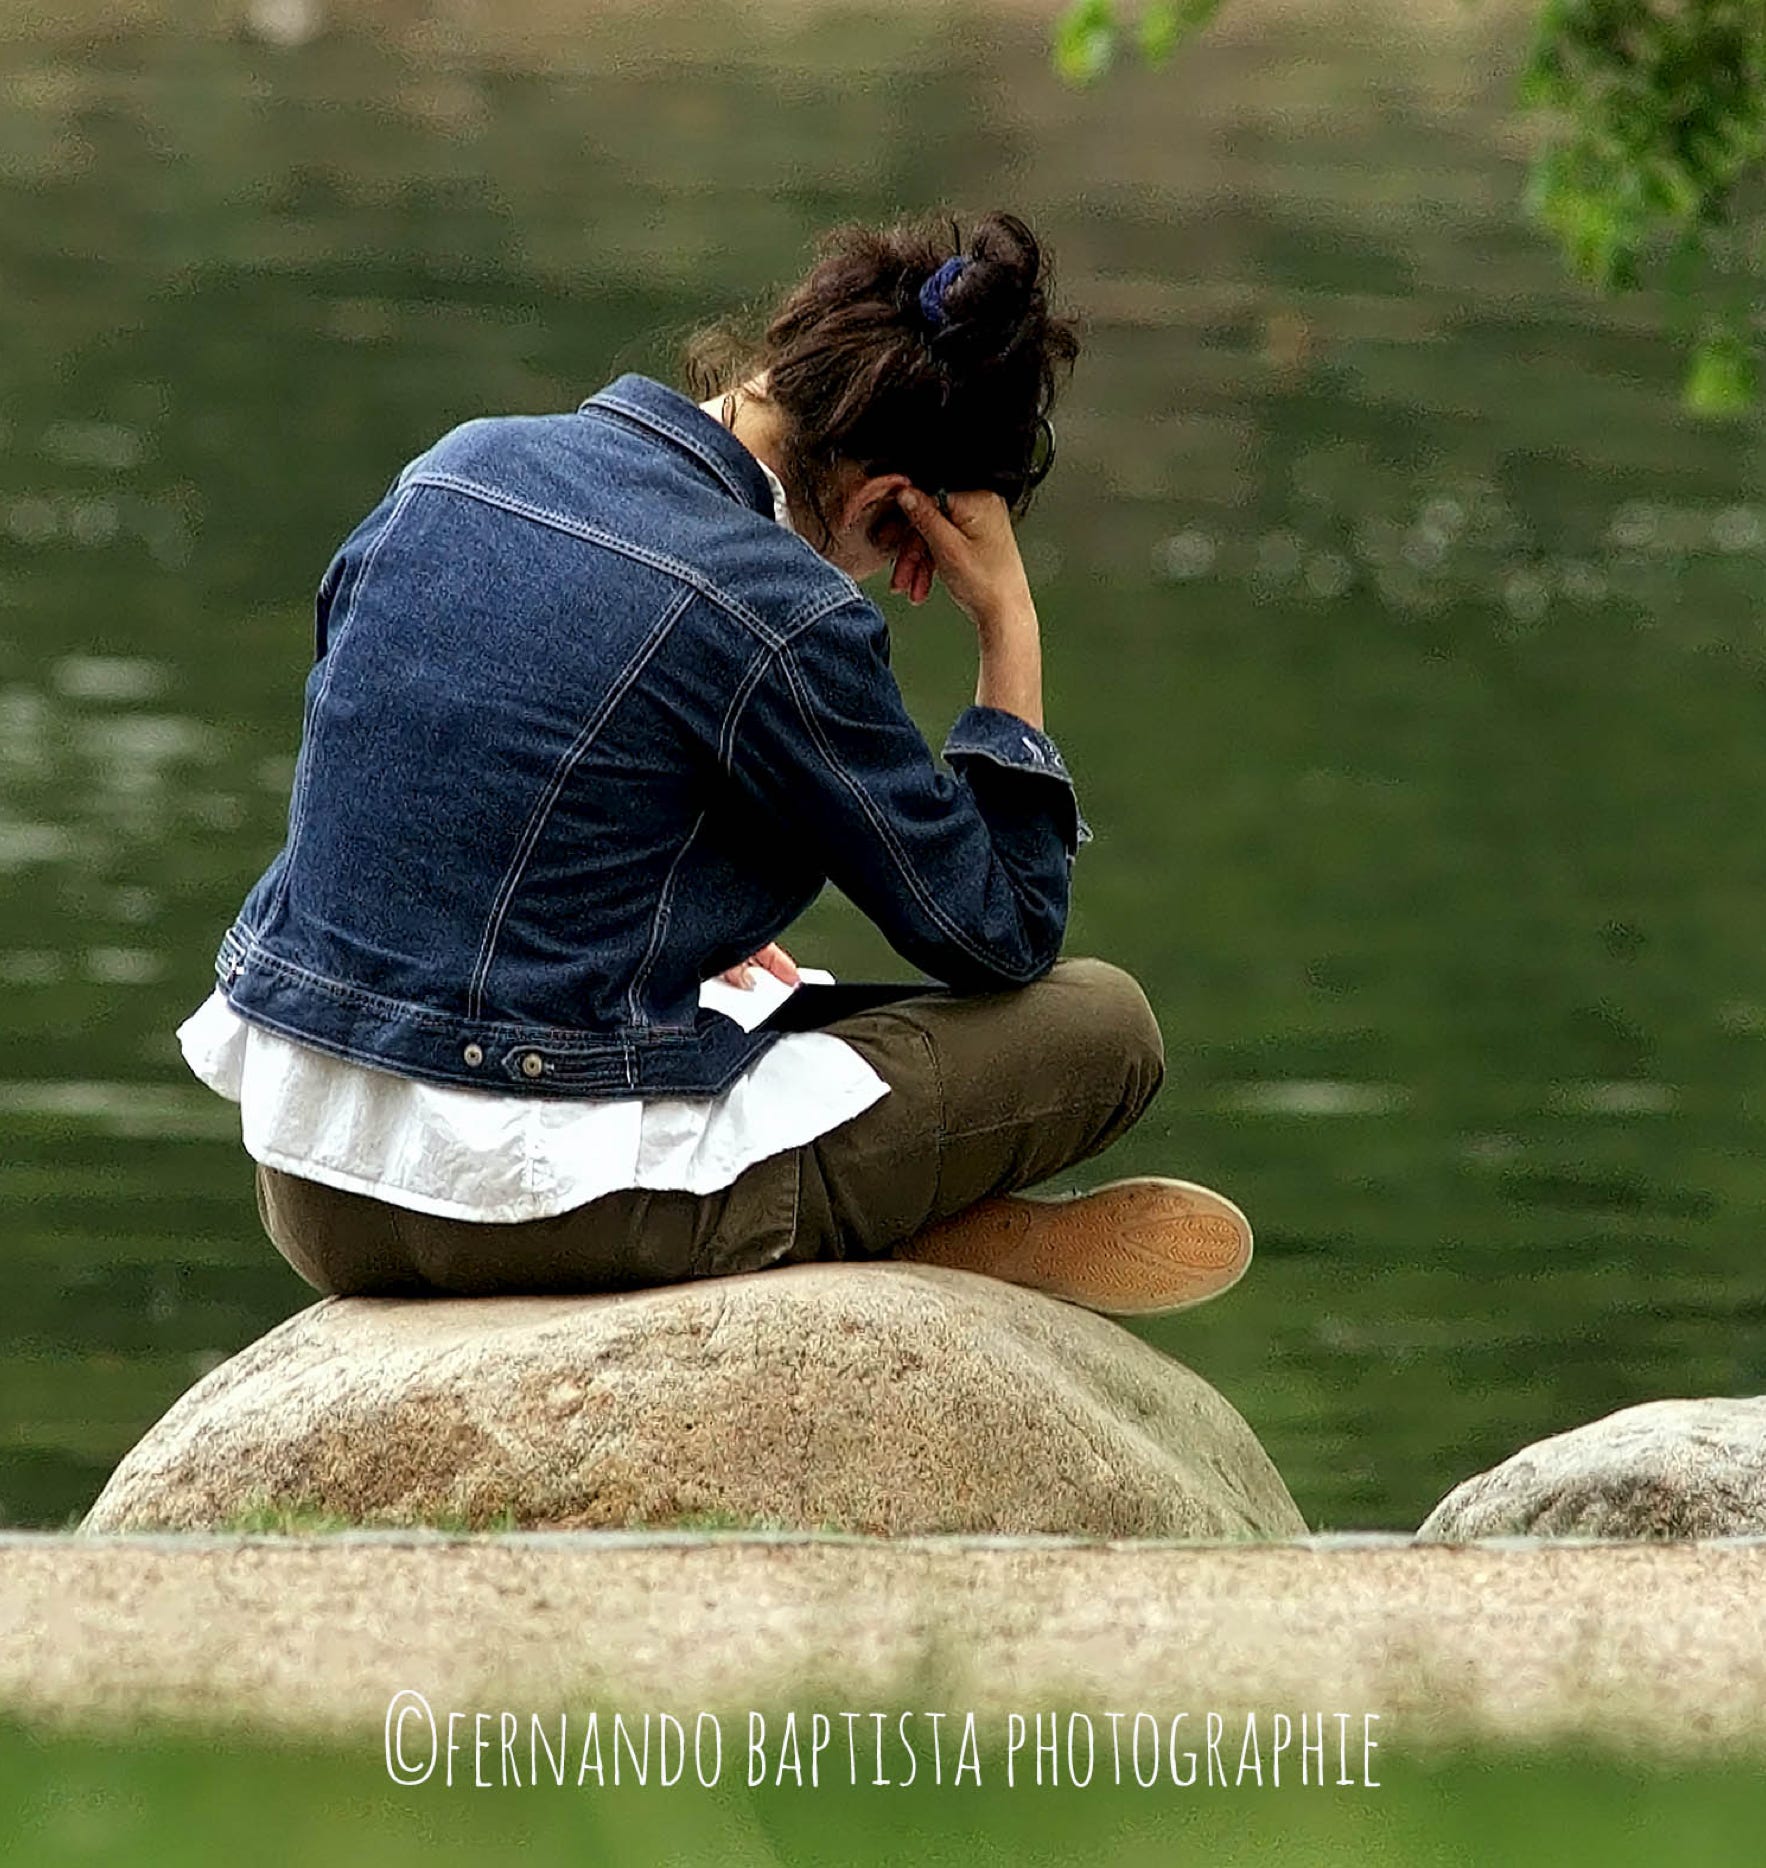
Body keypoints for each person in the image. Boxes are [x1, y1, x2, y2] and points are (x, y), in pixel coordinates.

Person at [177, 209, 1254, 1316]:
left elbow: (414, 774)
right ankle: (888, 1223)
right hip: (532, 1205)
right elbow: (1000, 928)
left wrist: (664, 928)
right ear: (897, 503)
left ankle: (873, 1208)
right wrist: (1007, 624)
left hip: (311, 1185)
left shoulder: (453, 469)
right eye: (898, 555)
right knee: (1099, 1025)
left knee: (782, 999)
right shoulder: (776, 606)